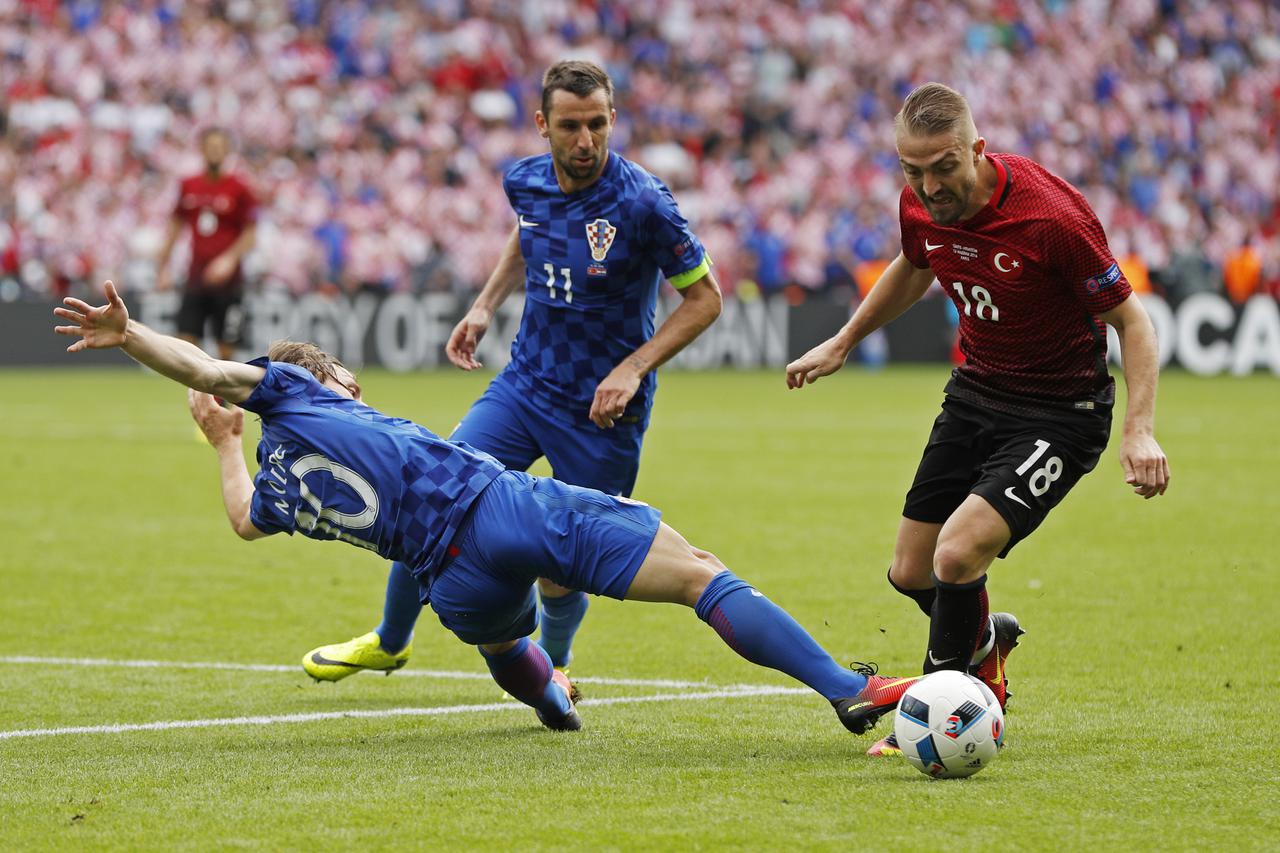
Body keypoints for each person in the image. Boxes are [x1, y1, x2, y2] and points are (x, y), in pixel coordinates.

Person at [54, 282, 915, 735]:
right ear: (323, 380)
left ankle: (550, 700)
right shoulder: (302, 391)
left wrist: (223, 446)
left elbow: (244, 519)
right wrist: (131, 337)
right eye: (343, 376)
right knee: (698, 574)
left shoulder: (276, 477)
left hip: (449, 585)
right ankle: (846, 688)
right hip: (498, 507)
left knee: (507, 640)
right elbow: (207, 369)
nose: (354, 384)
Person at [302, 60, 723, 683]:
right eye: (571, 126)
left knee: (562, 560)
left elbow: (706, 299)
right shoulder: (525, 181)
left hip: (601, 410)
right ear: (541, 125)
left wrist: (632, 369)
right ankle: (391, 640)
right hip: (526, 385)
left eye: (598, 125)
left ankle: (552, 666)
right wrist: (484, 304)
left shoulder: (642, 202)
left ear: (613, 120)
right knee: (431, 489)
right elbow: (528, 237)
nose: (586, 141)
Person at [785, 83, 1170, 756]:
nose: (929, 185)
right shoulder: (919, 203)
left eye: (943, 167)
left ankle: (937, 713)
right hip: (976, 392)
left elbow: (1132, 322)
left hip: (1061, 411)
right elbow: (914, 263)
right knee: (911, 570)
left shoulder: (1051, 218)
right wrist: (844, 340)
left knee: (957, 552)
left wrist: (1138, 428)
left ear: (978, 150)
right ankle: (985, 644)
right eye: (913, 170)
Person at [155, 127, 258, 360]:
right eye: (211, 147)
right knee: (187, 342)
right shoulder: (189, 185)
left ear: (227, 152)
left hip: (229, 282)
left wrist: (229, 260)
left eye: (220, 148)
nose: (215, 152)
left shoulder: (239, 188)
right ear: (202, 150)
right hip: (196, 276)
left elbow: (250, 234)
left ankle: (219, 398)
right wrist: (162, 268)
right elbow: (174, 226)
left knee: (226, 347)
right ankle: (198, 396)